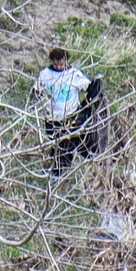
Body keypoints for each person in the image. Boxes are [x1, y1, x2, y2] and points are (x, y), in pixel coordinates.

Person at [36, 46, 92, 176]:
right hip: (51, 118)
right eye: (56, 64)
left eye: (61, 64)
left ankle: (61, 172)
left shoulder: (73, 74)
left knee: (67, 145)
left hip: (70, 117)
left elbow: (88, 86)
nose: (59, 67)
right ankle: (54, 168)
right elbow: (37, 91)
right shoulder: (45, 75)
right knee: (55, 143)